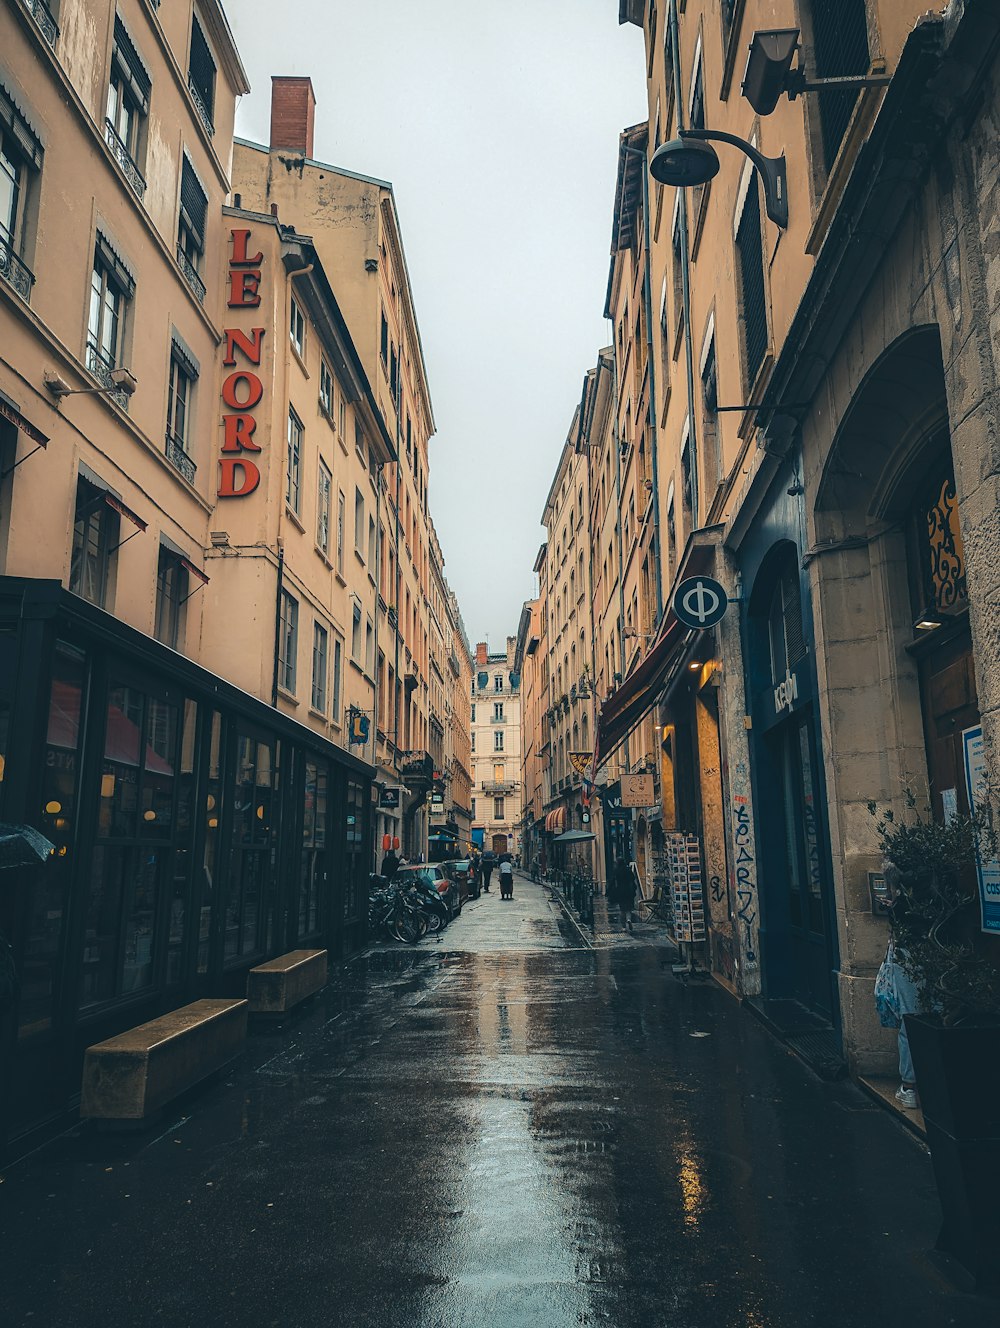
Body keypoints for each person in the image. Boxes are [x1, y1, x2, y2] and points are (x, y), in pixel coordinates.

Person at [612, 856, 637, 931]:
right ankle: (629, 919)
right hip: (628, 892)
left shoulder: (617, 871)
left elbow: (614, 881)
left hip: (620, 892)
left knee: (622, 909)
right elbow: (632, 879)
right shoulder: (628, 870)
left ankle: (623, 927)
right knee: (628, 909)